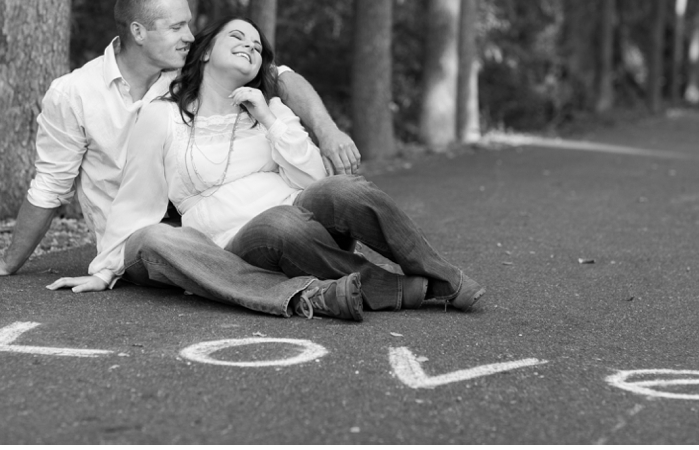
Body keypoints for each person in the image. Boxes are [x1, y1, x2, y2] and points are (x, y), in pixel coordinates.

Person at [0, 0, 363, 320]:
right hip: (143, 241)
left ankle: (342, 273)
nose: (190, 36)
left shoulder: (186, 74)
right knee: (164, 240)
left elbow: (282, 78)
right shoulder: (75, 93)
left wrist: (327, 132)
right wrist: (10, 262)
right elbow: (51, 184)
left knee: (294, 213)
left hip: (214, 229)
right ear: (138, 32)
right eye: (177, 27)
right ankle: (308, 295)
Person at [48, 16, 484, 320]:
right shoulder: (162, 116)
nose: (249, 47)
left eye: (256, 47)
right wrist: (104, 269)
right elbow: (137, 197)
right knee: (155, 236)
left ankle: (441, 278)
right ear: (203, 53)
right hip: (230, 245)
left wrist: (271, 118)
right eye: (237, 37)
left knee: (345, 189)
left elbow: (315, 182)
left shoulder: (268, 108)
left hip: (306, 225)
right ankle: (324, 294)